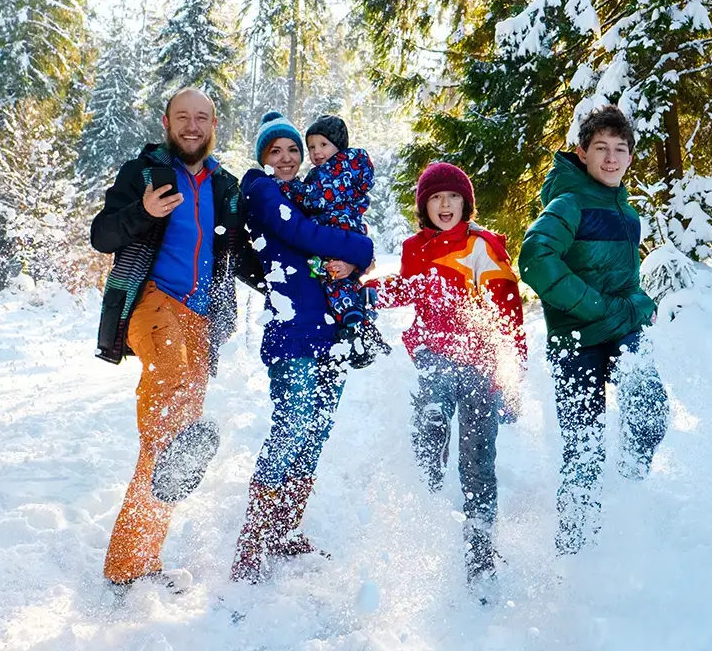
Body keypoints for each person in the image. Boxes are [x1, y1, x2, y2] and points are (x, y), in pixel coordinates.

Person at [92, 88, 262, 594]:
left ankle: (133, 564)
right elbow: (103, 236)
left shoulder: (225, 188)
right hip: (152, 300)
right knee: (170, 391)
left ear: (214, 125)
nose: (192, 126)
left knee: (166, 452)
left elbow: (243, 258)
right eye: (183, 117)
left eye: (202, 118)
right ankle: (172, 452)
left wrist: (310, 279)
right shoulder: (143, 174)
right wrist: (143, 211)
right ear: (167, 122)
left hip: (201, 319)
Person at [518, 104, 670, 556]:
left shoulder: (627, 212)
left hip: (622, 331)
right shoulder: (568, 203)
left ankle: (629, 493)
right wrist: (595, 307)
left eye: (620, 149)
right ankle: (575, 551)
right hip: (576, 342)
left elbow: (625, 278)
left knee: (651, 410)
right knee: (583, 450)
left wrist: (641, 304)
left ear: (630, 157)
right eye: (601, 148)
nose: (611, 158)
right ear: (582, 153)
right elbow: (535, 258)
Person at [231, 111, 375, 583]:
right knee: (292, 425)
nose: (288, 158)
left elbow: (334, 233)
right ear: (263, 157)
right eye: (276, 151)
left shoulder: (309, 192)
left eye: (294, 149)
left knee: (316, 432)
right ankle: (252, 541)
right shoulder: (261, 190)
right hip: (292, 330)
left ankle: (283, 531)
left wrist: (352, 262)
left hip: (331, 332)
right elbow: (303, 235)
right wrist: (361, 251)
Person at [374, 162, 526, 595]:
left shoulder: (483, 247)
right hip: (434, 352)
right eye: (436, 198)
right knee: (434, 402)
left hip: (480, 363)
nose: (445, 204)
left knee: (477, 461)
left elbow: (510, 314)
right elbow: (408, 288)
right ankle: (430, 464)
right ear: (424, 205)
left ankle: (480, 553)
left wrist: (511, 377)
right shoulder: (415, 248)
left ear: (465, 203)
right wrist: (361, 290)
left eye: (453, 197)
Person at [282, 114, 374, 330]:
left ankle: (351, 315)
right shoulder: (334, 170)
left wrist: (287, 187)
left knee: (333, 276)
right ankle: (358, 307)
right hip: (341, 231)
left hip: (338, 228)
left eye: (323, 144)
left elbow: (315, 198)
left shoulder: (337, 170)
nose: (317, 152)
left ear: (338, 146)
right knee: (335, 274)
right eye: (311, 147)